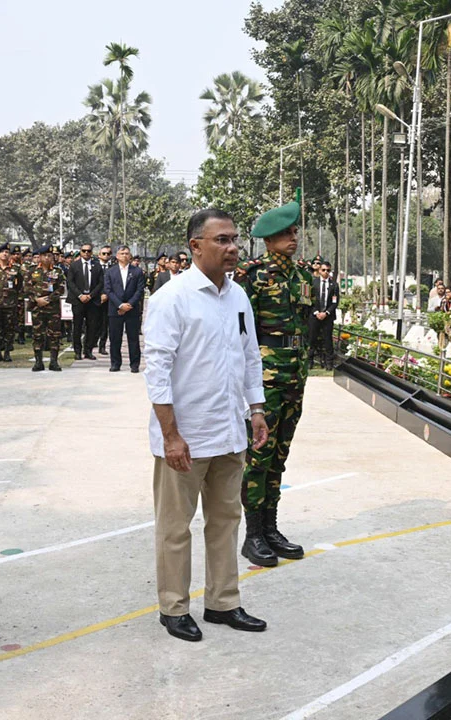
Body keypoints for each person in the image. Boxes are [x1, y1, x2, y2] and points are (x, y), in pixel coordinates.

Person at [143, 208, 271, 643]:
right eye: (222, 240)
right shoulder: (172, 298)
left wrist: (256, 409)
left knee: (225, 521)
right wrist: (171, 435)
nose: (232, 247)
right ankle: (173, 607)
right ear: (195, 245)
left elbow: (249, 355)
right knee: (175, 527)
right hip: (186, 436)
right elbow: (156, 370)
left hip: (230, 430)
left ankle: (223, 602)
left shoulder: (238, 297)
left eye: (235, 239)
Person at [236, 191, 313, 567]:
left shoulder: (302, 275)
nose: (293, 238)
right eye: (285, 233)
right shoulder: (253, 275)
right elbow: (241, 332)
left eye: (295, 231)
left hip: (294, 375)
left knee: (280, 454)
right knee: (260, 454)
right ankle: (252, 535)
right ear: (269, 240)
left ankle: (271, 527)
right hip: (265, 376)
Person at [104, 245, 145, 372]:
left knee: (133, 338)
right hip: (115, 309)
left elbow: (139, 291)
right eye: (122, 253)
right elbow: (108, 290)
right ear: (117, 256)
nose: (124, 255)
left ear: (130, 256)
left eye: (127, 253)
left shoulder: (137, 271)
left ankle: (134, 364)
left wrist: (128, 305)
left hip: (131, 310)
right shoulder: (110, 272)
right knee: (115, 338)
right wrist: (120, 305)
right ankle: (115, 363)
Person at [26, 244, 66, 372]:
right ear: (40, 257)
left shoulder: (57, 271)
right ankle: (38, 362)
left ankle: (54, 362)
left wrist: (48, 299)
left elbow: (61, 288)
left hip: (52, 308)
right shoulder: (32, 271)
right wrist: (37, 300)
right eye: (45, 256)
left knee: (54, 335)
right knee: (37, 334)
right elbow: (26, 288)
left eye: (50, 256)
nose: (48, 258)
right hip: (37, 308)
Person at [67, 243, 103, 360]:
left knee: (92, 326)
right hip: (78, 300)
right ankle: (77, 351)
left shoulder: (97, 266)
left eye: (88, 251)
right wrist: (80, 295)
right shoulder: (74, 265)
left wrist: (91, 295)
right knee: (77, 326)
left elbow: (100, 283)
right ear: (80, 252)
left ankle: (88, 350)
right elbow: (70, 282)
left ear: (92, 252)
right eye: (84, 251)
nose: (86, 253)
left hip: (92, 301)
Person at [0, 246, 22, 362]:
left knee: (9, 329)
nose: (5, 254)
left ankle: (7, 353)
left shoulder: (16, 269)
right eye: (2, 252)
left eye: (7, 252)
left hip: (10, 304)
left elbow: (19, 286)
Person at [307, 261, 338, 369]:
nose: (326, 272)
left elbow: (335, 302)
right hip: (314, 316)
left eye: (328, 270)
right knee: (312, 339)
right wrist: (316, 313)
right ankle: (309, 361)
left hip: (327, 317)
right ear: (319, 270)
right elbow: (309, 300)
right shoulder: (312, 283)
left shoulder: (334, 285)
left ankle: (329, 363)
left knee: (328, 340)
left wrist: (326, 313)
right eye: (323, 270)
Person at [96, 244, 113, 354]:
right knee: (93, 323)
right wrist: (99, 295)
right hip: (95, 298)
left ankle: (102, 345)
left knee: (105, 324)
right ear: (99, 255)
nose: (106, 256)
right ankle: (89, 344)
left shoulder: (113, 268)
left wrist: (106, 294)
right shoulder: (94, 266)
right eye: (104, 253)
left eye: (108, 254)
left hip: (109, 299)